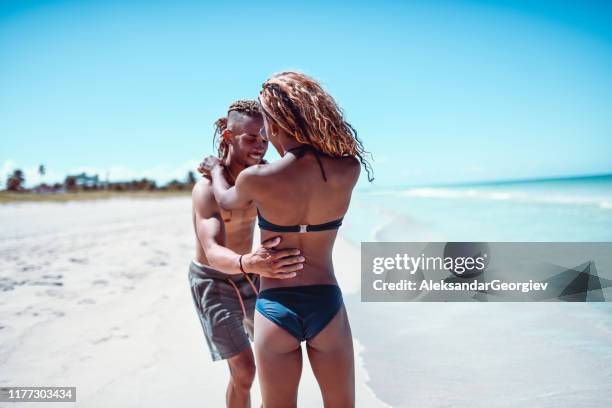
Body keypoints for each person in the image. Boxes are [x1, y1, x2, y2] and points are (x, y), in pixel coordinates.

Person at [204, 73, 373, 408]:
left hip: (276, 305)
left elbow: (225, 200)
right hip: (326, 302)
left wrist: (216, 171)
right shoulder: (348, 170)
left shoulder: (258, 179)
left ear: (276, 125)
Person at [189, 99, 305, 408]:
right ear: (228, 137)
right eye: (251, 138)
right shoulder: (205, 189)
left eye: (265, 139)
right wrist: (245, 261)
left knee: (276, 359)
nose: (260, 146)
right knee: (244, 372)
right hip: (213, 281)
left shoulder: (263, 178)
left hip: (254, 273)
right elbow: (212, 250)